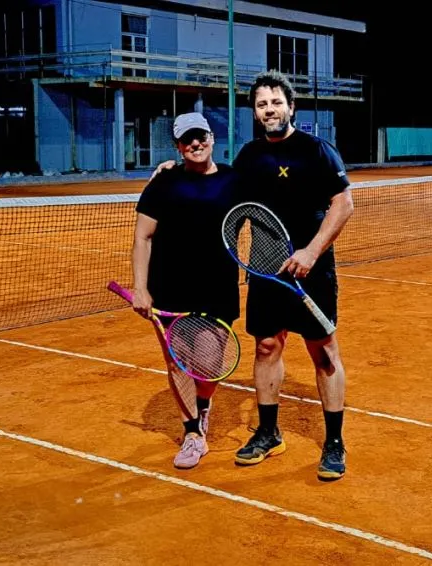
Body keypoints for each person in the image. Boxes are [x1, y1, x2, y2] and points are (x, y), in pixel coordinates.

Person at [151, 71, 355, 480]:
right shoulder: (248, 156)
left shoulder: (318, 151)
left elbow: (343, 204)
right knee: (266, 346)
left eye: (276, 103)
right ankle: (268, 431)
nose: (269, 110)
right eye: (262, 105)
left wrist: (312, 251)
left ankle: (334, 442)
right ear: (255, 113)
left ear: (290, 107)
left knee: (323, 351)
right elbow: (219, 183)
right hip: (264, 269)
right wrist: (176, 168)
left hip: (311, 271)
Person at [131, 112, 242, 470]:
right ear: (178, 146)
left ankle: (203, 407)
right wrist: (140, 288)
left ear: (212, 138)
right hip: (169, 287)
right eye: (187, 140)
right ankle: (192, 432)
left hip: (216, 287)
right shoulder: (163, 183)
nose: (195, 144)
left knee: (208, 366)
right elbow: (143, 237)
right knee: (178, 362)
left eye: (201, 137)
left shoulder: (234, 180)